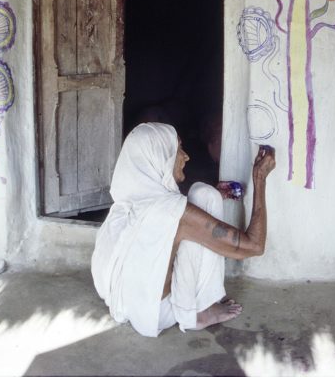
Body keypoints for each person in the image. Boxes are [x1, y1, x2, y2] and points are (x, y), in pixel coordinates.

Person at [91, 122, 275, 336]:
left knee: (198, 203)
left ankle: (190, 308)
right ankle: (196, 313)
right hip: (158, 313)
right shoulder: (173, 212)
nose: (185, 156)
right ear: (159, 156)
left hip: (123, 302)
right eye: (177, 149)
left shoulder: (123, 205)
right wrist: (259, 179)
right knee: (204, 194)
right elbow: (254, 246)